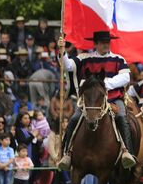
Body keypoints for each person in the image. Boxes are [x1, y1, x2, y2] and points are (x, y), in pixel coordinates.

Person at [57, 31, 136, 171]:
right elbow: (67, 65)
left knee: (122, 118)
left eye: (107, 42)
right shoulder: (84, 58)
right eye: (102, 42)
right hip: (90, 103)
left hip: (113, 99)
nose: (105, 45)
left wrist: (104, 84)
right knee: (74, 119)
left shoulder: (119, 59)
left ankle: (127, 153)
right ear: (95, 44)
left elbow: (126, 78)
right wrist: (62, 50)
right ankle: (66, 154)